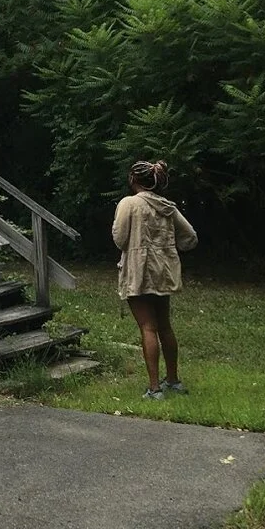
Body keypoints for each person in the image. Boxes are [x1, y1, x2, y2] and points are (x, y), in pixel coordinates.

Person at [112, 159, 198, 400]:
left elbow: (119, 239)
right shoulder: (167, 206)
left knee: (148, 327)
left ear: (133, 180)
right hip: (163, 272)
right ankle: (173, 380)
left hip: (138, 273)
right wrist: (168, 249)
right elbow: (190, 237)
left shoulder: (129, 204)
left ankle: (154, 388)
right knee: (165, 326)